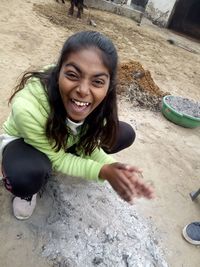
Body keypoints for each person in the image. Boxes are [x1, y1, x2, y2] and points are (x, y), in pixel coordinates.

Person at [0, 31, 154, 220]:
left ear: (108, 86)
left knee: (123, 133)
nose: (83, 90)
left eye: (97, 81)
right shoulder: (28, 109)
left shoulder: (100, 103)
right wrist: (102, 171)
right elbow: (59, 159)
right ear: (59, 72)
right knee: (26, 175)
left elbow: (85, 142)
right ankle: (27, 191)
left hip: (66, 139)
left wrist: (116, 169)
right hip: (26, 143)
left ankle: (71, 163)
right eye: (73, 75)